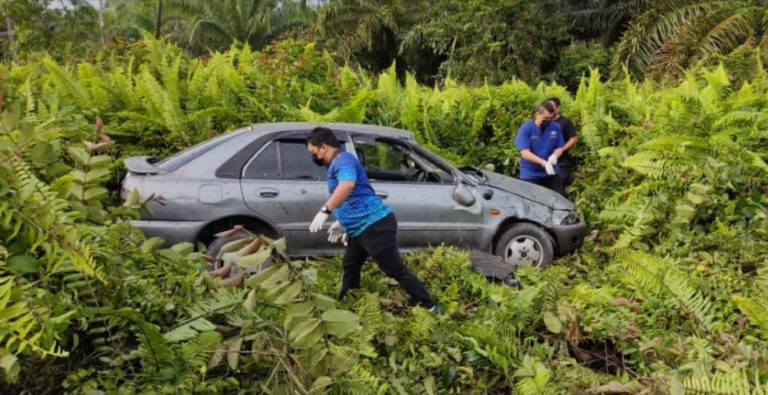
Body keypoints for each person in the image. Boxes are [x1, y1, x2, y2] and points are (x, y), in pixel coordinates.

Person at [305, 126, 435, 310]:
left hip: (375, 225)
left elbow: (348, 185)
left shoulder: (343, 162)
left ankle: (428, 305)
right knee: (350, 264)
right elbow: (356, 196)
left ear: (324, 147)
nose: (313, 157)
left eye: (314, 152)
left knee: (394, 269)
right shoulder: (338, 162)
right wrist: (343, 223)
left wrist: (326, 210)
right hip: (360, 228)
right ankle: (347, 306)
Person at [514, 101, 566, 196]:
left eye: (550, 119)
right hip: (530, 173)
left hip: (550, 171)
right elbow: (525, 153)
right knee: (530, 201)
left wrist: (555, 156)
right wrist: (543, 163)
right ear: (538, 114)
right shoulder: (526, 128)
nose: (548, 121)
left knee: (558, 198)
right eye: (545, 118)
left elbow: (559, 147)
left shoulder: (555, 127)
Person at [547, 97, 578, 192]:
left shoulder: (565, 122)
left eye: (551, 107)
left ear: (558, 108)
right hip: (545, 164)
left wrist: (561, 149)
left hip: (561, 164)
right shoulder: (544, 121)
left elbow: (573, 139)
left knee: (559, 192)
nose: (549, 109)